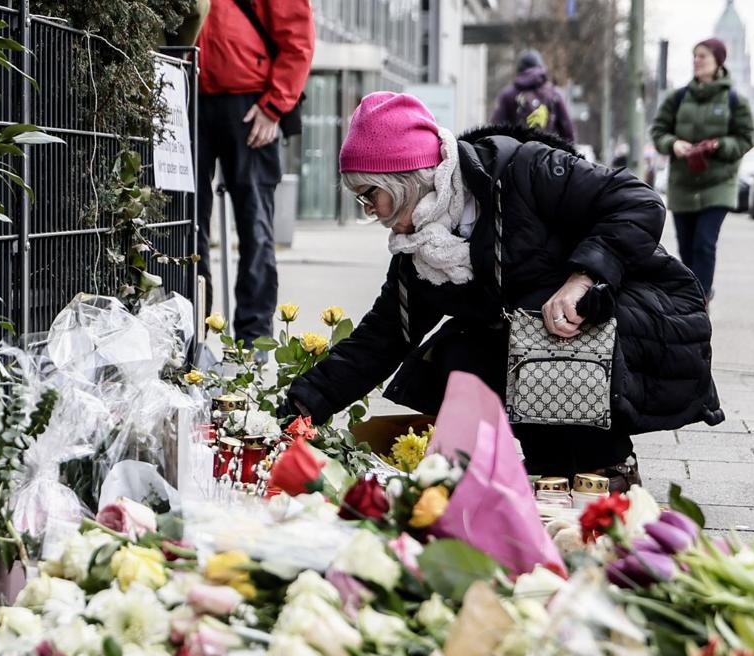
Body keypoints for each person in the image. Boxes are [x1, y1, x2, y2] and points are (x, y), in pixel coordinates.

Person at [279, 92, 723, 489]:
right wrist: (301, 406)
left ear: (405, 179)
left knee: (533, 330)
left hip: (638, 311)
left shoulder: (523, 171)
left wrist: (581, 279)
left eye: (369, 194)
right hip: (547, 339)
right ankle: (545, 474)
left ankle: (606, 467)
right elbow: (382, 338)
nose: (369, 209)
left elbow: (639, 201)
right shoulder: (421, 250)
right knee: (460, 353)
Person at [195, 0, 314, 345]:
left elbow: (297, 40)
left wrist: (274, 106)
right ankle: (188, 329)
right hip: (189, 93)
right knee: (184, 225)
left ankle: (254, 339)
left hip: (250, 104)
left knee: (255, 224)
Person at [651, 37, 754, 303]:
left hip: (718, 184)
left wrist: (720, 145)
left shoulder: (734, 100)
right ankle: (692, 295)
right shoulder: (678, 97)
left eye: (703, 56)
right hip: (683, 183)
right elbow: (659, 132)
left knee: (704, 244)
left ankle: (699, 299)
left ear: (718, 62)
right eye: (694, 56)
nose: (697, 61)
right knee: (685, 247)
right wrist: (674, 145)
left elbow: (747, 137)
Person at [491, 50, 576, 143]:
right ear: (541, 68)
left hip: (517, 154)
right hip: (548, 154)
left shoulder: (508, 95)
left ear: (519, 70)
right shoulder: (555, 94)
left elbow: (495, 130)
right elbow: (568, 133)